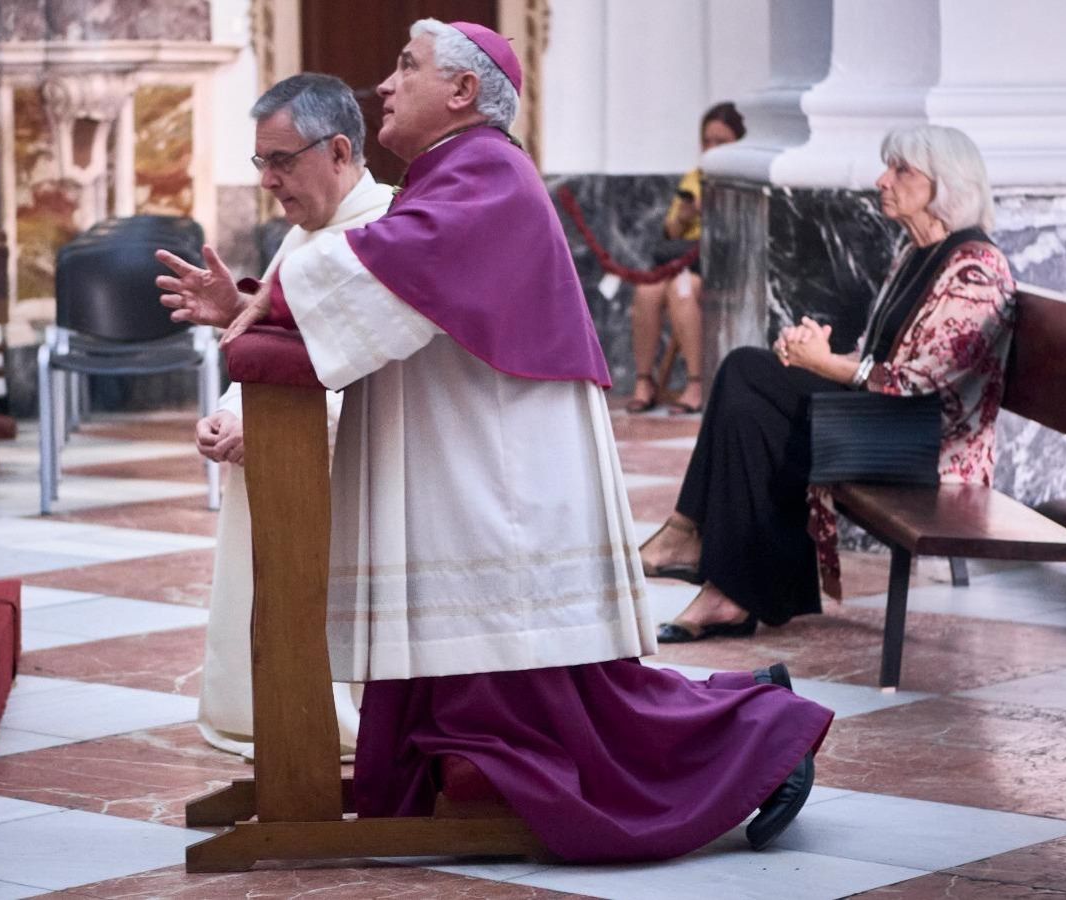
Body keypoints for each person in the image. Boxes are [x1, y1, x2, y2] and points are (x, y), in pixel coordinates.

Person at [157, 20, 833, 861]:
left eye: (407, 67)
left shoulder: (485, 172)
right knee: (514, 688)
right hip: (475, 466)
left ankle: (764, 738)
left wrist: (270, 296)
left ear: (464, 92)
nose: (386, 85)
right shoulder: (455, 173)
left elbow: (396, 264)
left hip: (500, 481)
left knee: (545, 697)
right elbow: (387, 285)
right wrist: (258, 302)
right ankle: (749, 713)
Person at [644, 124, 1017, 643]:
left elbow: (918, 382)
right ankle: (721, 586)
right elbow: (875, 355)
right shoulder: (916, 252)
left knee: (751, 385)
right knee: (748, 379)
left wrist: (823, 364)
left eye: (901, 170)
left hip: (928, 447)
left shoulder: (977, 270)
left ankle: (703, 555)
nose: (883, 180)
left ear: (945, 185)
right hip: (890, 423)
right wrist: (814, 354)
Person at [191, 73, 389, 759]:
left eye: (282, 160)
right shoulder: (311, 232)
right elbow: (276, 348)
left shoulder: (384, 231)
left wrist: (270, 427)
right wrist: (226, 414)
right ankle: (269, 711)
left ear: (338, 150)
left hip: (349, 474)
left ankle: (326, 721)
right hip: (278, 463)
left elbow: (367, 368)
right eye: (261, 161)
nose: (269, 179)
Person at [625, 102, 744, 415]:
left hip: (721, 267)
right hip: (683, 259)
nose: (711, 148)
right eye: (707, 140)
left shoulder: (741, 180)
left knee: (683, 290)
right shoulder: (694, 177)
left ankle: (695, 382)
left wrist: (714, 211)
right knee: (646, 291)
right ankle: (644, 380)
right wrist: (687, 214)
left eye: (721, 141)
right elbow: (671, 231)